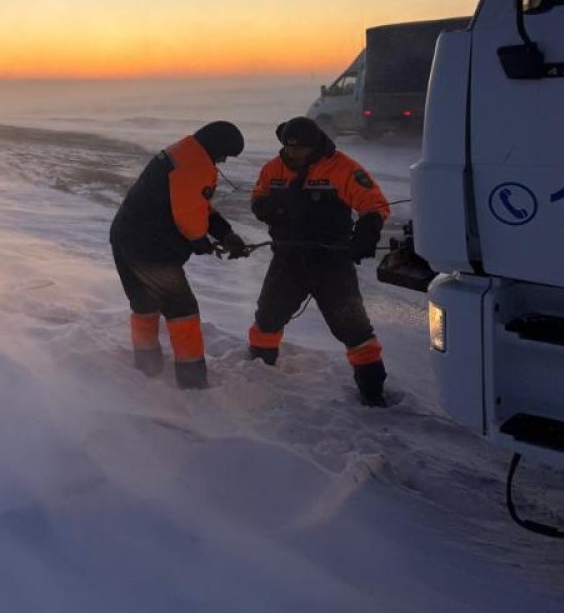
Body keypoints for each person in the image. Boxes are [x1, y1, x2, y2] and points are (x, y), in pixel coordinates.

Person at [248, 116, 391, 406]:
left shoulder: (342, 167)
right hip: (288, 258)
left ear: (316, 146)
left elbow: (374, 204)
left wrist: (366, 235)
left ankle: (372, 392)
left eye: (302, 149)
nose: (296, 154)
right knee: (267, 317)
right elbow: (258, 198)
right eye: (290, 149)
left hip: (331, 262)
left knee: (353, 328)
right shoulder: (273, 168)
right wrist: (270, 207)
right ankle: (259, 374)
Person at [110, 122, 250, 390]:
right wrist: (202, 244)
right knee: (182, 311)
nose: (223, 161)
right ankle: (192, 381)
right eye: (225, 155)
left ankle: (146, 367)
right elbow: (188, 216)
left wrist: (225, 234)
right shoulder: (194, 165)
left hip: (125, 238)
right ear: (216, 147)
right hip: (151, 251)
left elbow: (196, 204)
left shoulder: (184, 153)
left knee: (145, 306)